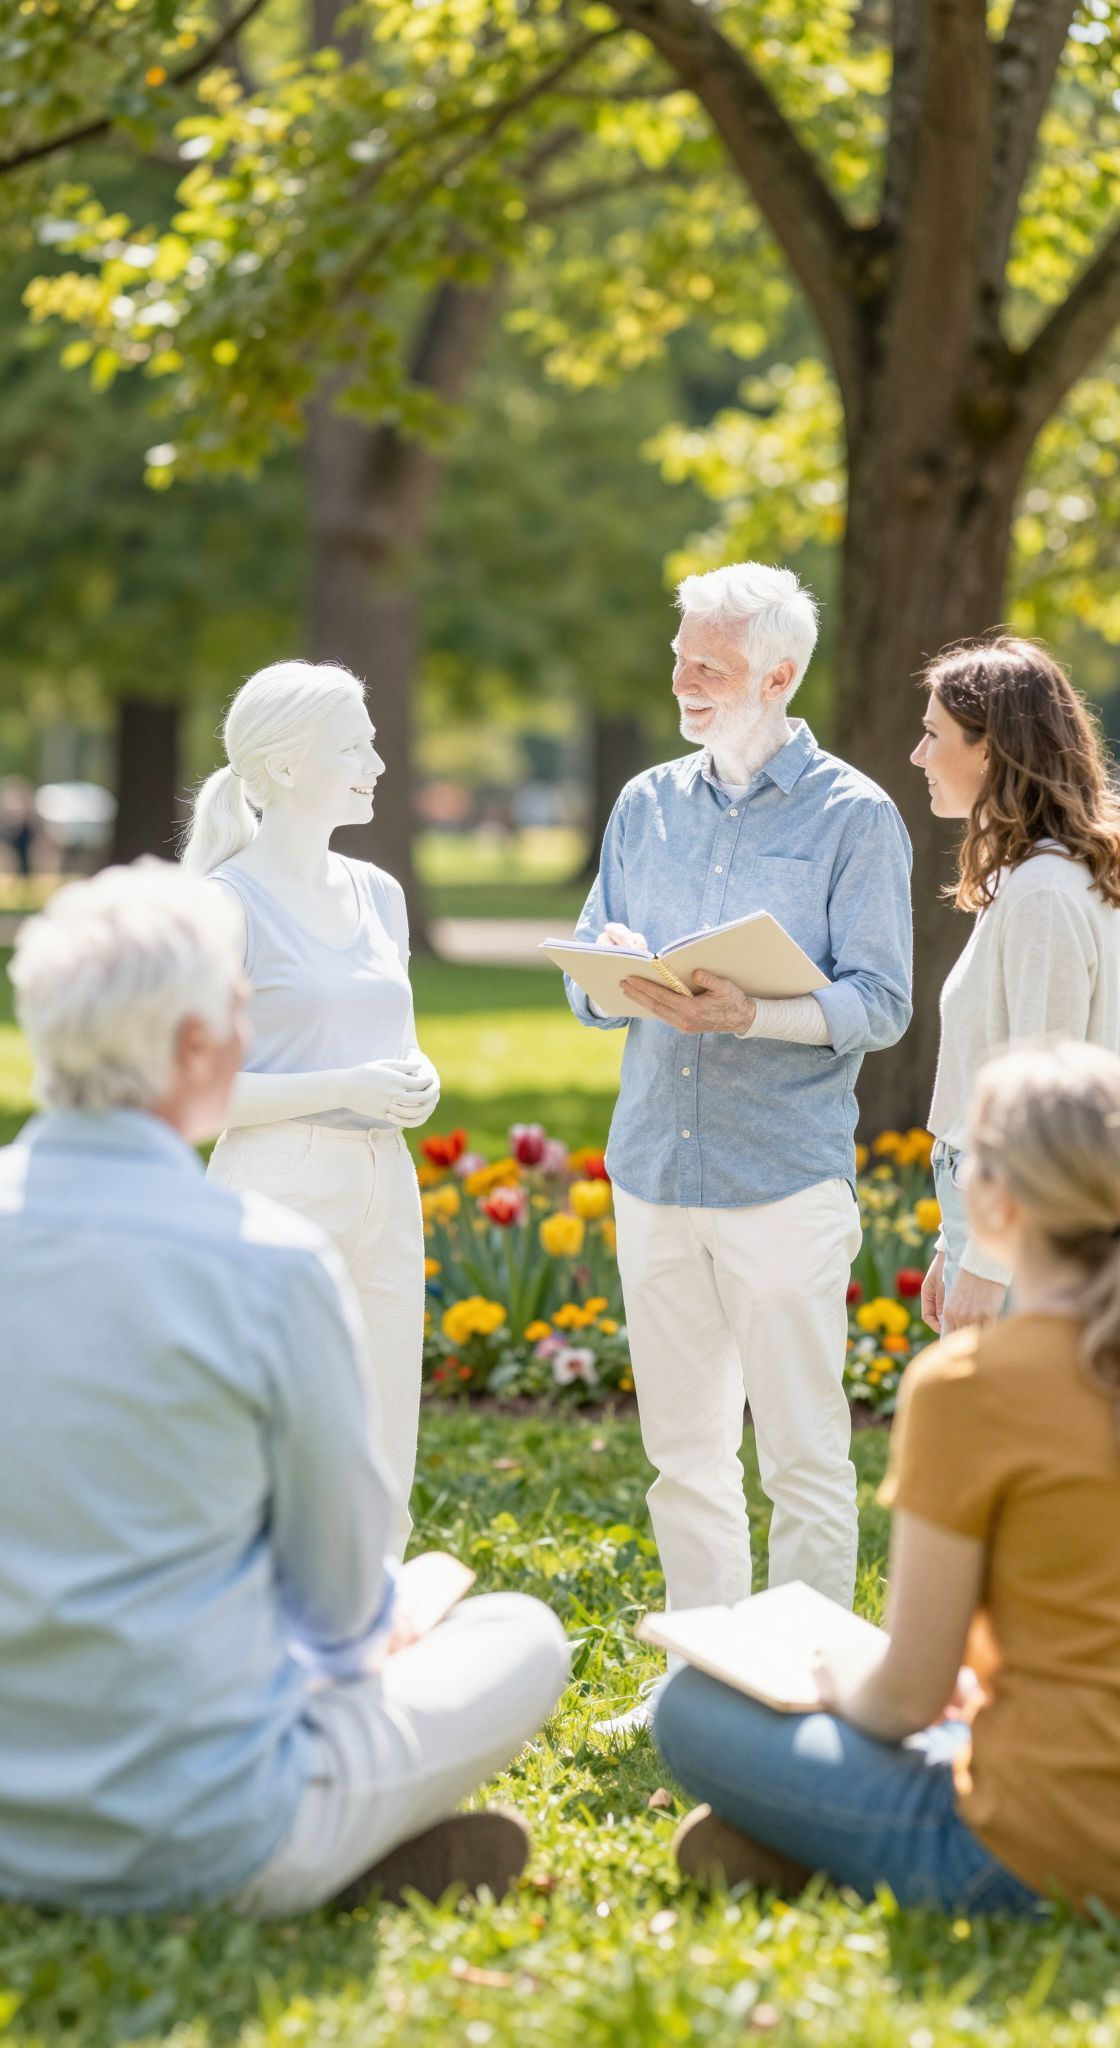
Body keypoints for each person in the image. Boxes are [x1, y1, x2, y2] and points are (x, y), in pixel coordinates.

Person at [0, 861, 569, 1916]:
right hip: (212, 1826)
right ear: (195, 1047)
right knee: (519, 1635)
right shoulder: (268, 1262)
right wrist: (390, 1617)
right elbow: (341, 1611)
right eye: (241, 1004)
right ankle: (343, 1847)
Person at [655, 1041, 1120, 1919]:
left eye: (962, 1158)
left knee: (688, 1704)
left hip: (1032, 1850)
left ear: (996, 1201)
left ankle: (815, 1844)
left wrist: (837, 1671)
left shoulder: (972, 1386)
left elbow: (906, 1698)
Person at [567, 562, 913, 1732]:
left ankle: (807, 1693)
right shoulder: (644, 804)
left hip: (782, 1177)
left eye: (708, 666)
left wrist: (752, 1013)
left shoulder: (854, 814)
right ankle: (702, 1680)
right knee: (685, 1450)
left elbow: (882, 1000)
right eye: (680, 658)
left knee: (804, 1453)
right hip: (654, 1167)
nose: (683, 681)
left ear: (778, 676)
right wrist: (614, 974)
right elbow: (587, 968)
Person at [182, 660, 439, 1547]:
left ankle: (374, 1613)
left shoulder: (380, 893)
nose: (378, 763)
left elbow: (395, 1038)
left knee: (383, 1438)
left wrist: (417, 1076)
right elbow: (196, 1094)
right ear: (287, 765)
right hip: (275, 1183)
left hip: (386, 1181)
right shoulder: (225, 906)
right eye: (354, 747)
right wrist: (343, 1088)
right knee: (266, 1439)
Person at [911, 636, 1120, 1337]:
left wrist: (988, 1263)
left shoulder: (1044, 893)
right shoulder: (1033, 879)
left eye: (933, 734)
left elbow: (1044, 1103)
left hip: (1027, 1233)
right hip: (1000, 1218)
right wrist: (955, 1240)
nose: (918, 756)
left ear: (989, 749)